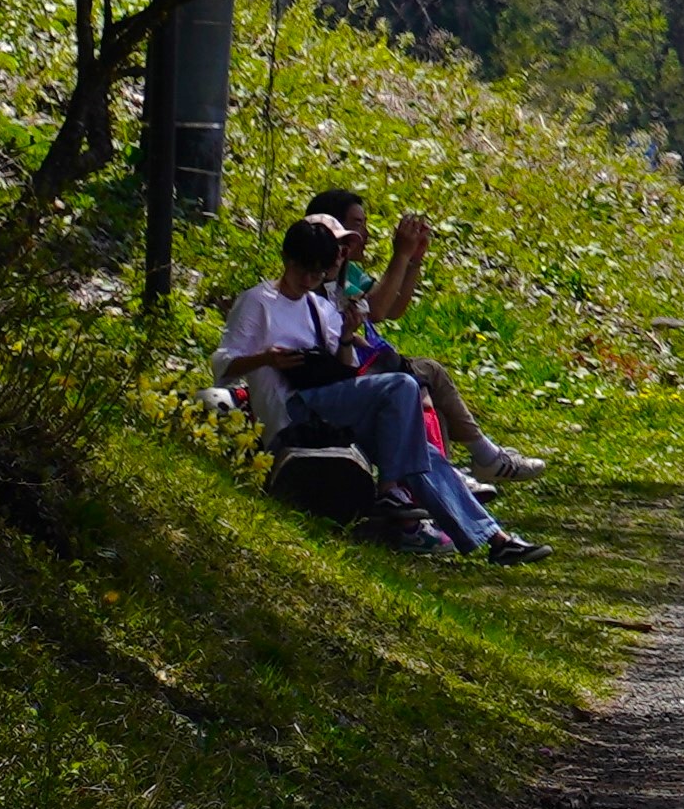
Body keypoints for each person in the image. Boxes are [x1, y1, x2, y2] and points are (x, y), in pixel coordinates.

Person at [218, 214, 533, 560]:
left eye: (317, 274)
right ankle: (390, 488)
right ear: (287, 260)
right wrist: (266, 358)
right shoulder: (258, 301)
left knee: (421, 452)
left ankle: (496, 539)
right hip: (291, 411)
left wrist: (346, 338)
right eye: (303, 271)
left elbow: (344, 370)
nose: (308, 280)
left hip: (326, 406)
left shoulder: (317, 306)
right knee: (401, 386)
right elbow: (222, 365)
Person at [297, 183, 550, 485]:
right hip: (340, 375)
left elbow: (394, 308)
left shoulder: (346, 273)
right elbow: (377, 311)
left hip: (355, 364)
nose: (364, 235)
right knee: (425, 375)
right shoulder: (316, 277)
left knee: (429, 392)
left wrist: (413, 259)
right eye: (356, 226)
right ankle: (478, 461)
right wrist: (400, 256)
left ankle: (456, 473)